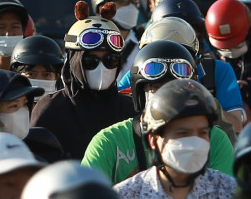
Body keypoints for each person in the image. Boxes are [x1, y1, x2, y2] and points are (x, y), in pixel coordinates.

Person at [85, 43, 233, 184]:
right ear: (139, 92)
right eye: (155, 87)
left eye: (176, 88)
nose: (167, 98)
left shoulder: (215, 140)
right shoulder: (108, 142)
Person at [30, 17, 129, 160]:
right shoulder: (50, 109)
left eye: (110, 60)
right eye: (90, 60)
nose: (102, 68)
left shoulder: (130, 111)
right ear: (74, 61)